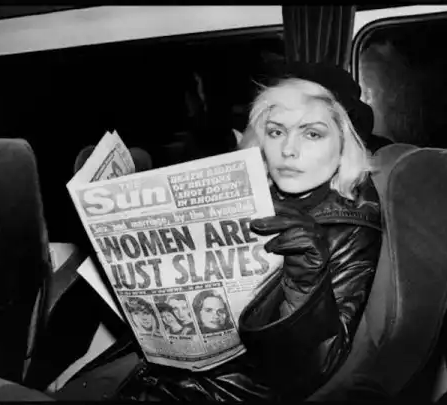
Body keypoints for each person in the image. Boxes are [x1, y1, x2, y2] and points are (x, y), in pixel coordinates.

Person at [59, 63, 382, 402]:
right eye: (276, 132)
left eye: (312, 134)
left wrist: (305, 285)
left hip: (220, 392)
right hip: (156, 371)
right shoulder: (255, 191)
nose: (288, 149)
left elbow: (315, 368)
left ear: (344, 145)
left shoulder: (351, 229)